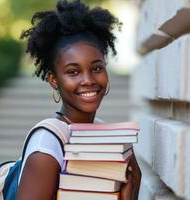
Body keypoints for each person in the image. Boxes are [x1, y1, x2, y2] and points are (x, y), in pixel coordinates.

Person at [17, 0, 141, 199]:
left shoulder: (112, 140)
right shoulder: (47, 146)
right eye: (73, 71)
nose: (88, 80)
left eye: (97, 68)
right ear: (53, 80)